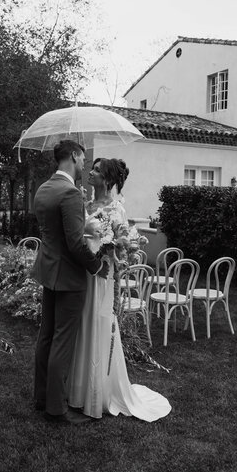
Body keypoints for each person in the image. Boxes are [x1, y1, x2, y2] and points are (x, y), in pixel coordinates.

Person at [67, 157, 172, 422]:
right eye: (91, 168)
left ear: (109, 180)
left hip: (102, 277)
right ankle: (77, 391)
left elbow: (122, 250)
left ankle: (97, 394)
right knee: (81, 325)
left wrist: (113, 252)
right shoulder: (85, 204)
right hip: (83, 275)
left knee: (99, 326)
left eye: (97, 171)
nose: (90, 172)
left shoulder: (117, 209)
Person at [32, 140, 109, 425]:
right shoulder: (70, 193)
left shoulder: (44, 189)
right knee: (62, 342)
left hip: (48, 272)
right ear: (74, 157)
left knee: (46, 336)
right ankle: (55, 408)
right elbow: (76, 244)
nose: (84, 165)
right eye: (83, 159)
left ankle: (41, 397)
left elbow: (54, 234)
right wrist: (97, 265)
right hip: (69, 277)